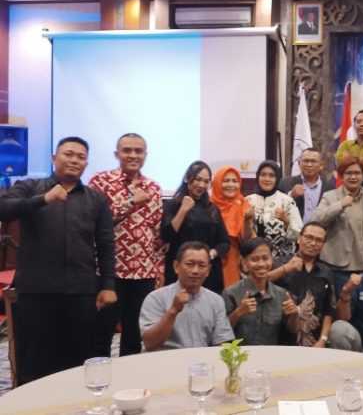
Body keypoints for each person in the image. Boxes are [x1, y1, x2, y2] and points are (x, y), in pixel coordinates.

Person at [0, 136, 116, 384]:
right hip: (37, 291)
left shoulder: (96, 199)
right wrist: (44, 199)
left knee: (77, 362)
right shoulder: (31, 186)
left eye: (81, 157)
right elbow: (4, 209)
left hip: (81, 291)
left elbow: (106, 244)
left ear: (86, 164)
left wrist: (108, 285)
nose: (74, 160)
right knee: (34, 362)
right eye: (68, 154)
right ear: (54, 158)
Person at [89, 133, 165, 357]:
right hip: (109, 271)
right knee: (101, 332)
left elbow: (157, 232)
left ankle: (128, 377)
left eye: (138, 151)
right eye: (127, 150)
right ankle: (98, 376)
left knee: (134, 333)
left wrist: (159, 268)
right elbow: (95, 221)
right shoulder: (101, 181)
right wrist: (131, 202)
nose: (133, 155)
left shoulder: (153, 187)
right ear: (117, 154)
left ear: (145, 155)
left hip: (144, 272)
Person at [139, 241, 234, 351]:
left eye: (202, 265)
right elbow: (149, 344)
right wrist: (173, 311)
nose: (195, 271)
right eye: (190, 264)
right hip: (165, 359)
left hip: (201, 360)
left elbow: (221, 343)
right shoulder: (156, 298)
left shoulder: (216, 301)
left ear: (208, 270)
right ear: (176, 266)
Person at [312, 154, 363, 295]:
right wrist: (340, 205)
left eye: (357, 173)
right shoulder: (330, 196)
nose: (353, 177)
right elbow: (316, 221)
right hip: (336, 267)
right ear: (341, 175)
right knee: (340, 305)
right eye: (348, 173)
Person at [161, 161, 231, 294]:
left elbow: (224, 242)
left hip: (207, 273)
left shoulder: (212, 208)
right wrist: (183, 210)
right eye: (198, 179)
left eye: (206, 181)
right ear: (187, 178)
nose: (202, 185)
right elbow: (166, 236)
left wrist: (211, 254)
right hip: (180, 271)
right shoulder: (171, 205)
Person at [222, 238, 299, 345]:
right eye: (255, 259)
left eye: (265, 258)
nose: (261, 264)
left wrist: (294, 314)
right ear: (244, 263)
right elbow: (221, 333)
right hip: (239, 354)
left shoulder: (282, 294)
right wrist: (238, 313)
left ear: (272, 259)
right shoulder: (230, 293)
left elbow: (292, 330)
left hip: (270, 353)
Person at [274, 221, 337, 347]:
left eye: (319, 240)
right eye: (309, 237)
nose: (313, 243)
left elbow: (329, 310)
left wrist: (323, 339)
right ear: (299, 238)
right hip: (281, 341)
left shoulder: (326, 272)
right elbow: (260, 282)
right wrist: (285, 269)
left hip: (314, 343)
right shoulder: (280, 264)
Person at [246, 160, 302, 265]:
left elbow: (299, 236)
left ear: (277, 179)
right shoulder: (248, 201)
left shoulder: (287, 201)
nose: (267, 179)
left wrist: (286, 221)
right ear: (258, 177)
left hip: (283, 262)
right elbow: (242, 237)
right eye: (263, 175)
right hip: (254, 262)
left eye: (272, 176)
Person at [211, 166, 254, 288]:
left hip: (234, 259)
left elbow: (246, 239)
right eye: (226, 181)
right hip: (211, 258)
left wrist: (247, 220)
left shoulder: (244, 205)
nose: (231, 185)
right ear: (217, 183)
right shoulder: (208, 205)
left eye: (235, 181)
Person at [278, 148, 335, 224]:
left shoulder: (330, 189)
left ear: (321, 165)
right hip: (292, 230)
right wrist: (291, 196)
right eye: (306, 161)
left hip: (319, 231)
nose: (309, 165)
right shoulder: (285, 184)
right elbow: (275, 209)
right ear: (299, 164)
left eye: (313, 161)